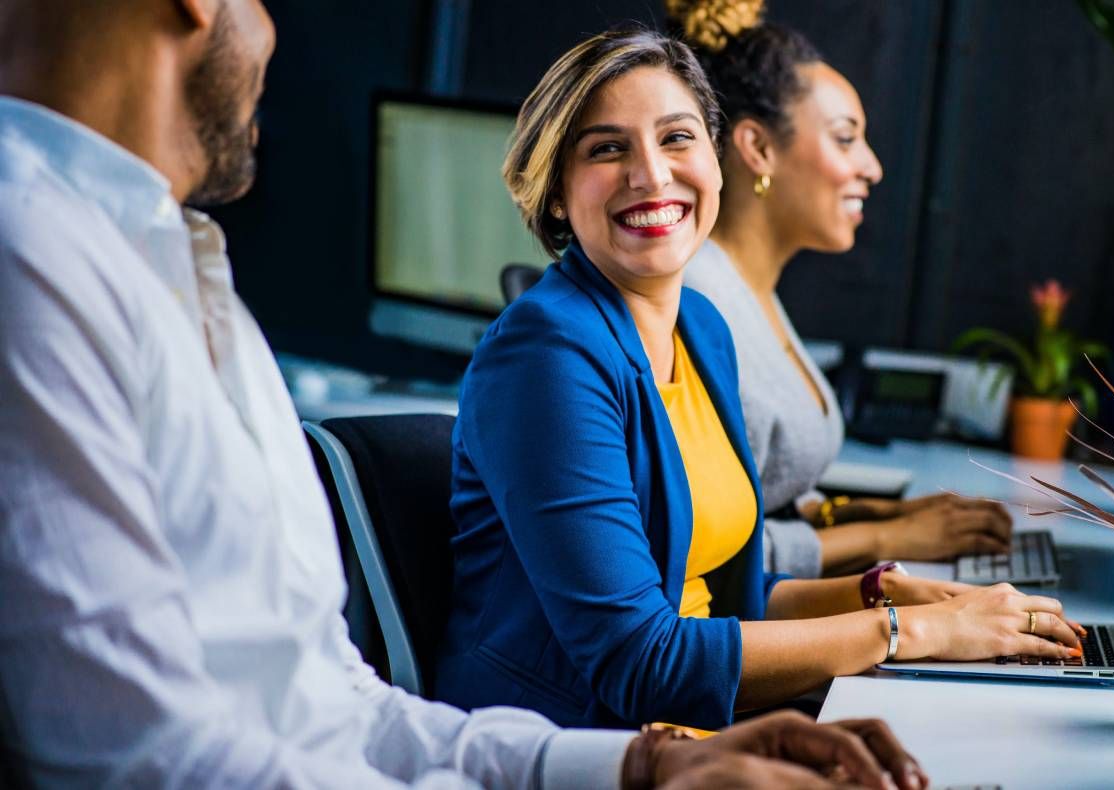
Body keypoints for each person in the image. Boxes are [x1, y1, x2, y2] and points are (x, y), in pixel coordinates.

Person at [0, 2, 927, 787]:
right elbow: (142, 755)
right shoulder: (32, 260)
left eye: (679, 138)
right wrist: (891, 629)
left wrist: (642, 770)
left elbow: (335, 703)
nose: (275, 27)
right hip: (598, 708)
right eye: (610, 149)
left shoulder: (183, 274)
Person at [439, 26, 1083, 733]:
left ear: (716, 162)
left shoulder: (703, 328)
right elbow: (639, 662)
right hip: (575, 745)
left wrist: (883, 594)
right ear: (558, 193)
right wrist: (910, 632)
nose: (652, 175)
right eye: (607, 148)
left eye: (677, 138)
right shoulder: (545, 356)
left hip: (699, 728)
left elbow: (725, 601)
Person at [670, 0, 1015, 579]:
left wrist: (875, 512)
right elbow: (704, 553)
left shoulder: (750, 290)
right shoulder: (699, 305)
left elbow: (762, 491)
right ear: (758, 149)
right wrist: (886, 536)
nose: (873, 167)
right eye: (845, 139)